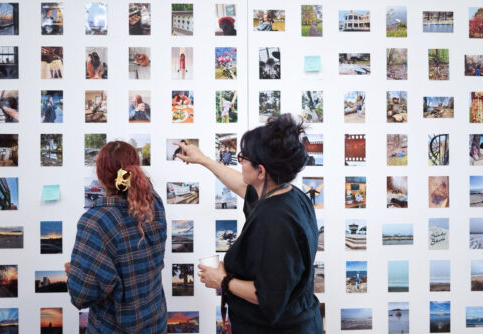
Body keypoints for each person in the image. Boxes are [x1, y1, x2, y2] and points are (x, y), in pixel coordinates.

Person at [174, 113, 322, 333]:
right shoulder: (290, 195)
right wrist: (203, 159)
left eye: (242, 157)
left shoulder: (276, 221)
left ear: (261, 171)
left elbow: (270, 296)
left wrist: (223, 281)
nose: (239, 162)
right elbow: (244, 187)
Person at [65, 141, 167, 333]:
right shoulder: (154, 204)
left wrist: (73, 271)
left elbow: (81, 296)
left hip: (116, 328)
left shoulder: (97, 221)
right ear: (135, 169)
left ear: (99, 175)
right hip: (156, 323)